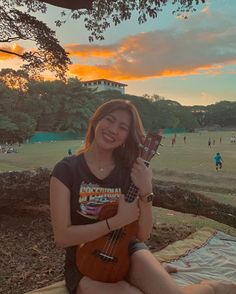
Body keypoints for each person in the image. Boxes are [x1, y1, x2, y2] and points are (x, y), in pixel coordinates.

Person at [50, 99, 236, 294]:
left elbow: (142, 234)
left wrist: (146, 190)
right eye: (109, 120)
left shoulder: (130, 172)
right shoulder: (66, 170)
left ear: (126, 136)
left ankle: (211, 287)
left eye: (122, 127)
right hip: (85, 258)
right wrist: (115, 222)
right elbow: (62, 238)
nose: (113, 129)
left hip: (127, 250)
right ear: (96, 121)